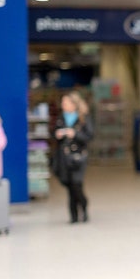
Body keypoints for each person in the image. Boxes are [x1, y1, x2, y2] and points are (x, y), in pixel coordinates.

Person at [53, 91, 93, 223]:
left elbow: (89, 136)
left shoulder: (83, 118)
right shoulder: (61, 118)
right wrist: (58, 135)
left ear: (74, 104)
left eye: (66, 102)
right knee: (69, 185)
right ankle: (74, 215)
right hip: (64, 157)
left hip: (78, 156)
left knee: (76, 184)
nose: (63, 105)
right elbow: (54, 135)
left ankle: (84, 205)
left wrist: (74, 134)